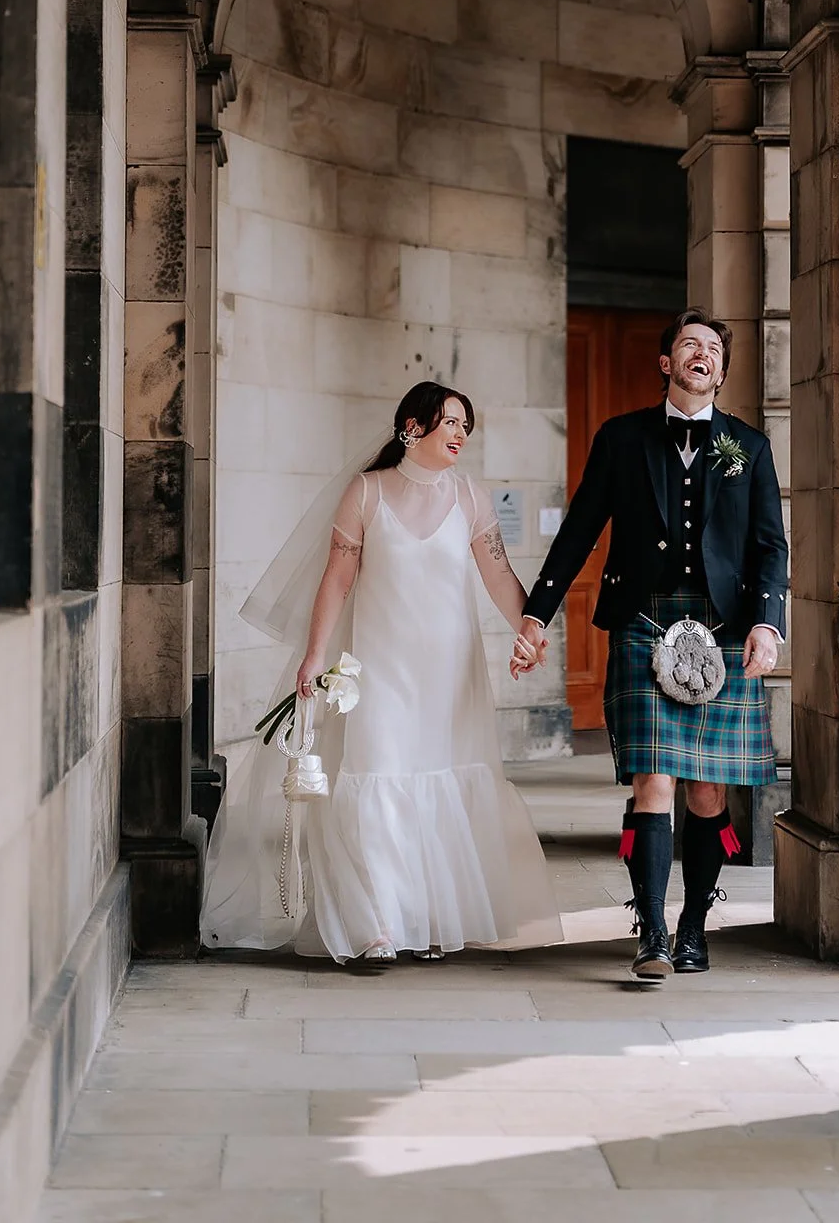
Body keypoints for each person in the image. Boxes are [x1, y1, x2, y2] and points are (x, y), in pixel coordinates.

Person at [201, 381, 562, 963]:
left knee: (443, 776)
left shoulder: (470, 496)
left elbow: (499, 577)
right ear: (412, 427)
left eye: (466, 425)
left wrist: (530, 625)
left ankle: (426, 920)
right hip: (379, 668)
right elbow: (337, 580)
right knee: (379, 778)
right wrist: (314, 656)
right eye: (449, 422)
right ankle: (376, 925)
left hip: (451, 673)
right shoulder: (366, 493)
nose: (460, 434)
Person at [512, 310, 787, 982]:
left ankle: (693, 925)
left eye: (713, 349)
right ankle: (652, 930)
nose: (702, 355)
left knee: (706, 794)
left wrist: (765, 623)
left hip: (721, 629)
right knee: (652, 780)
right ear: (666, 363)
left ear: (721, 371)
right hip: (643, 619)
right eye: (690, 345)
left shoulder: (746, 447)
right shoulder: (622, 438)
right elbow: (579, 529)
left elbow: (768, 545)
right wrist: (535, 614)